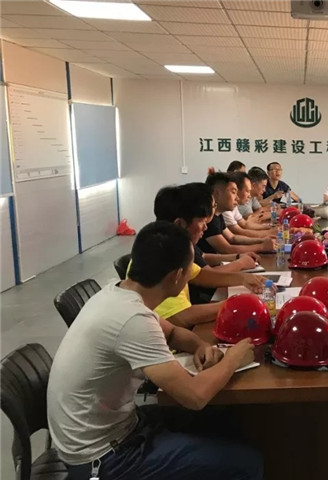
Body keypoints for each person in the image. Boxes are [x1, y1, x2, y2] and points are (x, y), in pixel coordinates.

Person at [48, 221, 263, 480]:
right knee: (246, 463)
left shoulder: (118, 294)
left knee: (226, 418)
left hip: (113, 428)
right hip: (104, 457)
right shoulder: (132, 320)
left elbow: (172, 333)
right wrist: (233, 359)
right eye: (190, 268)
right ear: (176, 276)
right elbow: (194, 396)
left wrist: (200, 345)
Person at [151, 184, 266, 326]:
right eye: (201, 221)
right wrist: (238, 302)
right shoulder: (161, 254)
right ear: (180, 224)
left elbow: (202, 275)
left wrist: (243, 278)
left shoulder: (175, 247)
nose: (205, 227)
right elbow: (180, 316)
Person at [198, 172, 274, 256]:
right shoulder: (208, 219)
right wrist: (261, 247)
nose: (237, 198)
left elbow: (232, 238)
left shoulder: (218, 215)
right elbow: (226, 249)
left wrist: (262, 240)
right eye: (233, 192)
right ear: (217, 193)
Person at [223, 172, 274, 238]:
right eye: (247, 191)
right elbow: (238, 233)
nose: (249, 195)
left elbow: (245, 224)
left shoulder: (233, 206)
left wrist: (270, 227)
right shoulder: (225, 209)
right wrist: (269, 233)